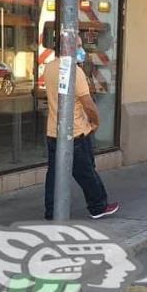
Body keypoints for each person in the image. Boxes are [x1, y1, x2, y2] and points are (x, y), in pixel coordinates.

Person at [44, 36, 119, 220]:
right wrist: (95, 123)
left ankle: (51, 210)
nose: (82, 49)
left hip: (54, 131)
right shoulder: (75, 72)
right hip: (75, 131)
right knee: (86, 172)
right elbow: (89, 104)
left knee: (54, 174)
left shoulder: (49, 67)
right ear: (68, 48)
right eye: (78, 46)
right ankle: (98, 206)